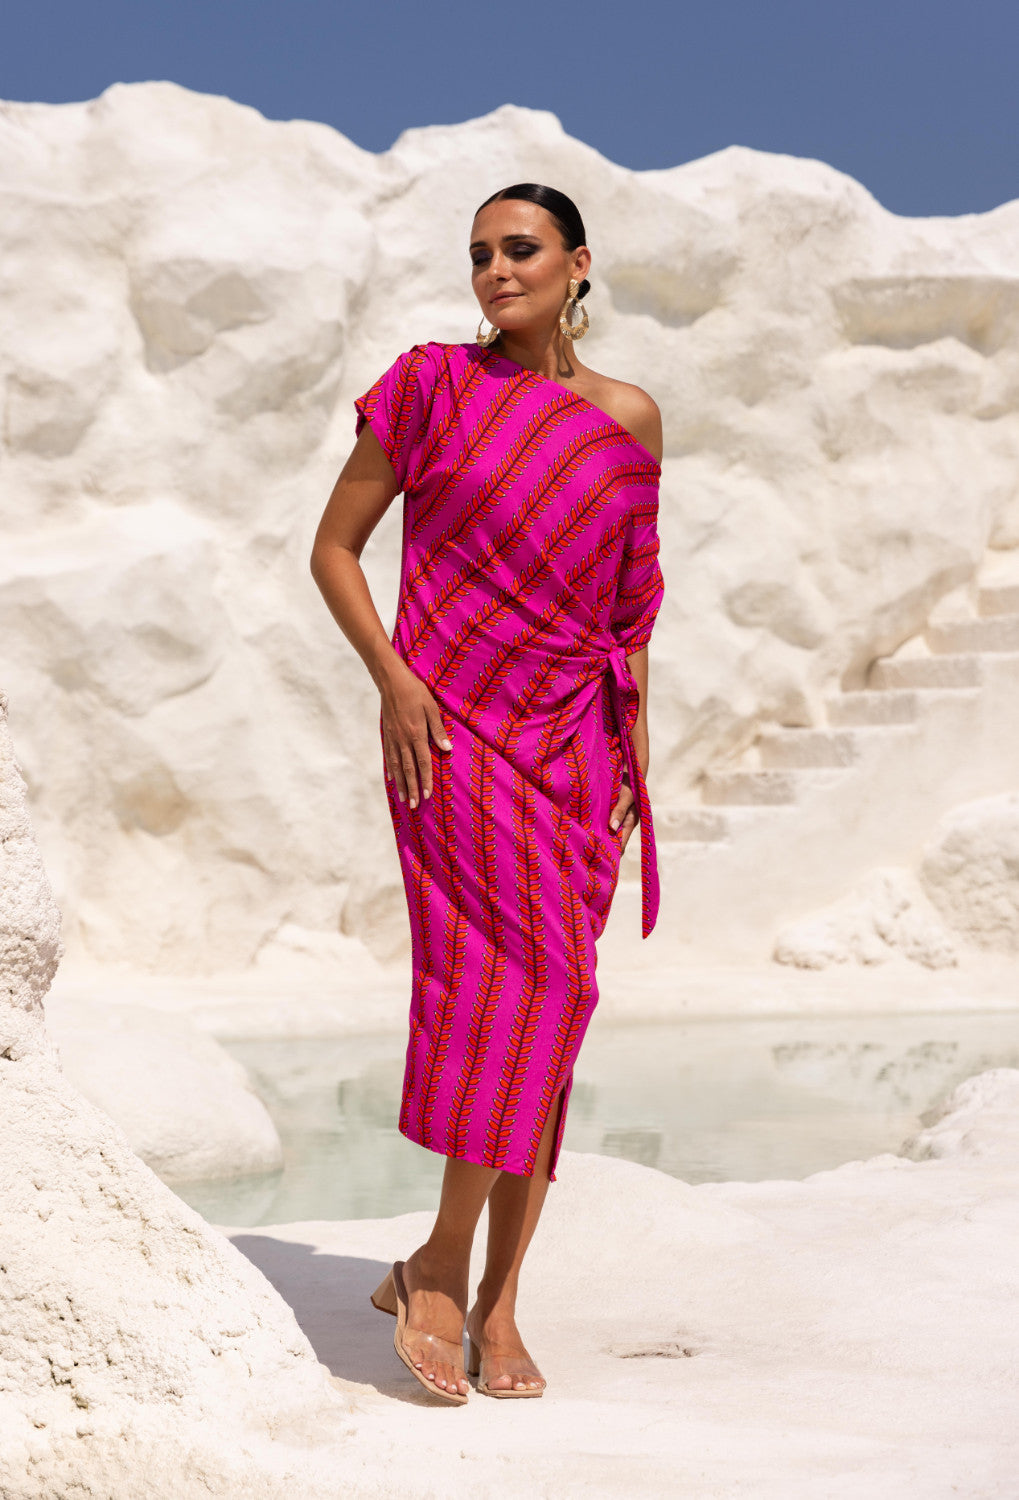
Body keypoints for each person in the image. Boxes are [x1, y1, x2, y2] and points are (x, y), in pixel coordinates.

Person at [310, 182, 665, 1403]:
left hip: (577, 747)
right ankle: (440, 1265)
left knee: (554, 1012)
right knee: (517, 993)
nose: (496, 270)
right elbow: (334, 549)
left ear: (577, 263)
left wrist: (635, 751)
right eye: (479, 254)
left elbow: (629, 611)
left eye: (520, 249)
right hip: (450, 736)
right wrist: (395, 679)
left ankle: (497, 1298)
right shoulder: (429, 388)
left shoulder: (628, 417)